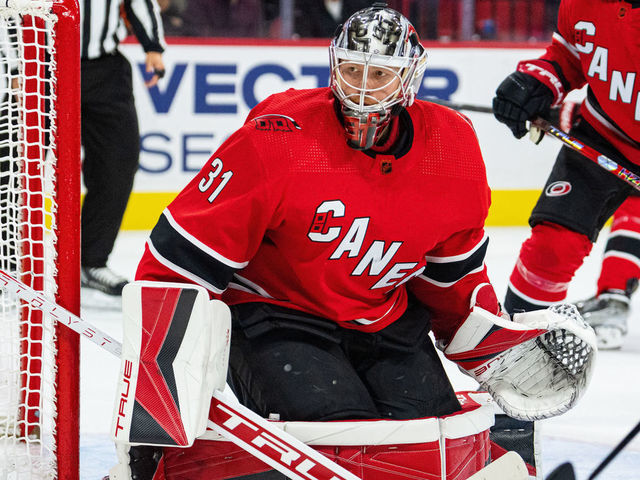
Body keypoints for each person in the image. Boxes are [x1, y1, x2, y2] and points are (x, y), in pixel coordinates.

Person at [109, 5, 595, 479]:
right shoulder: (280, 135)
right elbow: (176, 264)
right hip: (276, 315)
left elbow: (452, 286)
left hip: (383, 320)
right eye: (350, 69)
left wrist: (505, 349)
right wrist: (153, 430)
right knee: (340, 443)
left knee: (434, 437)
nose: (361, 89)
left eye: (379, 74)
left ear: (408, 78)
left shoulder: (454, 149)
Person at [492, 0, 640, 346]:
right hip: (604, 134)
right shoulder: (583, 3)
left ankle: (615, 291)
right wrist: (537, 81)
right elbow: (568, 55)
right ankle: (513, 344)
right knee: (553, 243)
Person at [79, 0, 165, 297]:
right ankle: (8, 261)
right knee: (19, 165)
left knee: (117, 162)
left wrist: (153, 45)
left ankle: (91, 260)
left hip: (105, 68)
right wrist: (14, 63)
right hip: (38, 66)